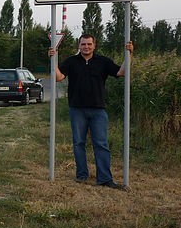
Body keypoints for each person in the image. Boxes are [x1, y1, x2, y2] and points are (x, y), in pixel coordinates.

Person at [48, 34, 134, 190]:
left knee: (101, 144)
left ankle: (105, 179)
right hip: (77, 110)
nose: (86, 47)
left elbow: (121, 72)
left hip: (98, 110)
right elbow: (58, 77)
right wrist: (53, 59)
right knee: (78, 143)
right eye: (83, 44)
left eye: (89, 44)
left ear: (94, 45)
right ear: (79, 46)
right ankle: (82, 175)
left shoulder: (103, 62)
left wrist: (129, 55)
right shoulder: (71, 62)